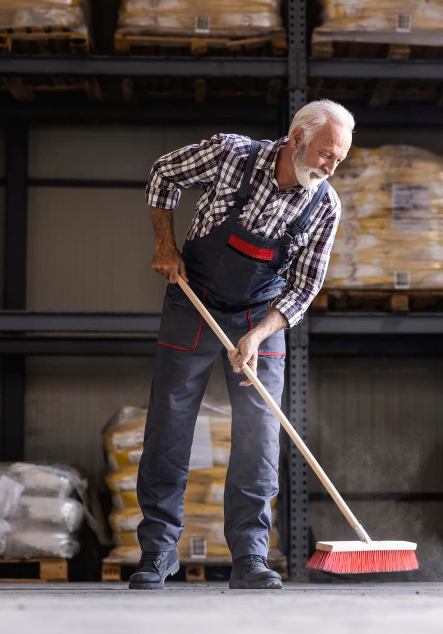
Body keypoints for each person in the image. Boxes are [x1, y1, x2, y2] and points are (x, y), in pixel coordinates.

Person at [130, 100, 354, 589]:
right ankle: (158, 552)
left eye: (339, 160)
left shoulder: (325, 205)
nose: (330, 168)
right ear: (296, 138)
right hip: (195, 300)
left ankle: (250, 558)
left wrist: (258, 333)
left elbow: (305, 287)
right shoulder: (231, 155)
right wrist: (164, 245)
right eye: (325, 155)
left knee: (259, 436)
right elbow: (164, 174)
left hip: (261, 315)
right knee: (170, 421)